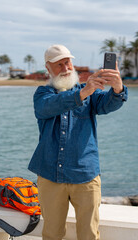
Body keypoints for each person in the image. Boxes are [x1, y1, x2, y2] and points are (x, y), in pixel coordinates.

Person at [28, 44, 128, 240]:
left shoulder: (89, 93)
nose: (65, 68)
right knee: (51, 234)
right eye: (59, 65)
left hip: (85, 175)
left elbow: (110, 103)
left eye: (68, 63)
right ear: (48, 68)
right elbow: (47, 108)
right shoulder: (42, 94)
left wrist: (118, 87)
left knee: (89, 235)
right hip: (50, 175)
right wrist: (82, 93)